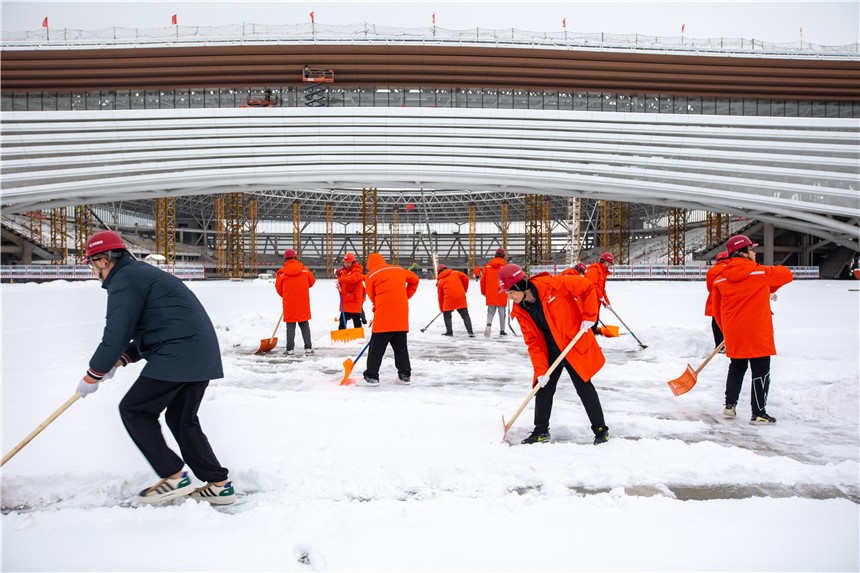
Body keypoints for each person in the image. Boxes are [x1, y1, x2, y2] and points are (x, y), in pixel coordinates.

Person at [76, 230, 235, 505]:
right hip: (198, 352)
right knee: (181, 419)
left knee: (134, 409)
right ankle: (219, 484)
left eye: (92, 263)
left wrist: (94, 373)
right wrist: (122, 358)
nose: (93, 271)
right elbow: (160, 325)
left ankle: (173, 477)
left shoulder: (124, 280)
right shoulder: (138, 274)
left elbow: (116, 333)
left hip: (180, 353)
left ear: (103, 259)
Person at [499, 263, 610, 445]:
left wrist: (590, 317)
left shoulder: (554, 285)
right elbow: (533, 343)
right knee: (543, 389)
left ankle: (601, 430)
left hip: (572, 344)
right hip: (551, 351)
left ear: (520, 286)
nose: (509, 297)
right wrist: (541, 370)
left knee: (584, 388)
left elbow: (588, 287)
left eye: (510, 292)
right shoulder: (520, 312)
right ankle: (541, 431)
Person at [713, 235, 793, 425]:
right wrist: (767, 279)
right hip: (758, 332)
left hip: (735, 333)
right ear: (743, 252)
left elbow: (717, 312)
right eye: (752, 250)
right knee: (761, 372)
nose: (755, 253)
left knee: (737, 367)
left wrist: (728, 331)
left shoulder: (720, 280)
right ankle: (758, 412)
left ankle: (729, 405)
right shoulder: (761, 273)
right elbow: (787, 274)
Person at [359, 252, 420, 387]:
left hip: (384, 316)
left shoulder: (370, 276)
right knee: (400, 347)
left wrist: (379, 307)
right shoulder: (398, 269)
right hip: (401, 315)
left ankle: (371, 377)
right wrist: (404, 296)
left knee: (376, 348)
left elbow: (372, 297)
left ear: (369, 265)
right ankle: (405, 376)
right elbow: (415, 279)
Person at [275, 248, 316, 356]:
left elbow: (279, 289)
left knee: (290, 325)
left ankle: (290, 349)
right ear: (295, 257)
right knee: (304, 324)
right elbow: (312, 282)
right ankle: (308, 348)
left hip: (289, 303)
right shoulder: (305, 270)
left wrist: (287, 296)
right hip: (303, 302)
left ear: (285, 259)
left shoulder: (282, 273)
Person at [435, 263, 475, 337]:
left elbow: (440, 297)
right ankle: (470, 332)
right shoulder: (456, 273)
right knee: (465, 315)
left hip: (449, 299)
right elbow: (465, 278)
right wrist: (464, 288)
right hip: (460, 296)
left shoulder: (440, 281)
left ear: (439, 272)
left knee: (447, 315)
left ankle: (449, 332)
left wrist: (442, 309)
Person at [479, 248, 508, 337]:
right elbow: (508, 280)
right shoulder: (505, 266)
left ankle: (488, 325)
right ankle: (502, 330)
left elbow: (482, 281)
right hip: (502, 291)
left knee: (490, 312)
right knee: (502, 312)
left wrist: (484, 292)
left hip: (490, 292)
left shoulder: (487, 266)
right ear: (503, 256)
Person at [584, 252, 615, 334]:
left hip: (596, 302)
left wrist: (607, 303)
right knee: (591, 323)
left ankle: (592, 343)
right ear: (605, 262)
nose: (610, 266)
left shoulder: (603, 272)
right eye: (609, 263)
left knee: (595, 322)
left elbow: (602, 290)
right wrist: (601, 297)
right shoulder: (594, 270)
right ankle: (588, 344)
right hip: (589, 302)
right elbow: (592, 286)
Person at [705, 251, 730, 349]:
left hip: (715, 300)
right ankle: (729, 344)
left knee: (716, 323)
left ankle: (719, 346)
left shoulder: (712, 270)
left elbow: (709, 288)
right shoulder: (732, 268)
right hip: (730, 300)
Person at [336, 252, 365, 329]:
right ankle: (341, 336)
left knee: (356, 319)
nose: (346, 264)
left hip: (354, 300)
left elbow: (352, 279)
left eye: (348, 263)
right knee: (342, 320)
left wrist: (340, 280)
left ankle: (359, 338)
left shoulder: (357, 270)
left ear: (353, 262)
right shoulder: (344, 271)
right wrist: (339, 286)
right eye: (345, 263)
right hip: (346, 300)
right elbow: (345, 283)